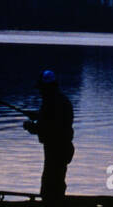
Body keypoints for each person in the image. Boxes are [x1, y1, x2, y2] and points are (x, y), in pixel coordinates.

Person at [23, 70, 75, 199]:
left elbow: (49, 128)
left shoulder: (52, 102)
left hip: (56, 149)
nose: (40, 91)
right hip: (63, 148)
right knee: (57, 180)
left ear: (47, 87)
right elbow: (51, 119)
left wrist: (31, 126)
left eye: (41, 88)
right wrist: (37, 115)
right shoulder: (60, 99)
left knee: (50, 182)